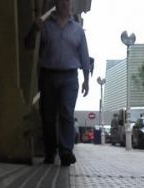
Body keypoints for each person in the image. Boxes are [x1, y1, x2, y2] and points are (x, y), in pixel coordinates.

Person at [26, 0, 91, 166]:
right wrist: (34, 29)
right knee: (47, 116)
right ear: (56, 4)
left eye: (68, 1)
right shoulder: (45, 25)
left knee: (66, 113)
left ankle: (66, 151)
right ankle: (50, 152)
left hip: (70, 78)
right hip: (48, 76)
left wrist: (86, 80)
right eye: (62, 1)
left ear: (71, 5)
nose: (65, 4)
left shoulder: (77, 30)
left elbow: (84, 56)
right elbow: (28, 45)